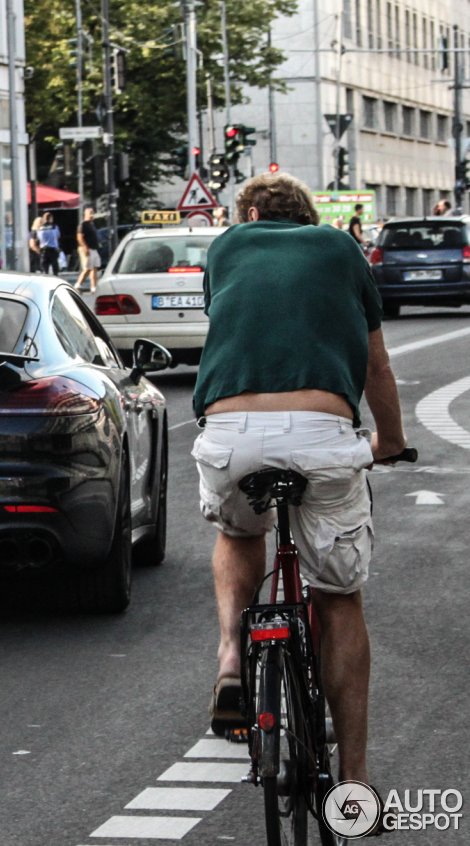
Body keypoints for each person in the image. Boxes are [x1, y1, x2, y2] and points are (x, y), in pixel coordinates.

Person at [194, 173, 405, 799]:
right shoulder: (340, 248)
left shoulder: (226, 245)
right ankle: (356, 784)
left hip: (231, 433)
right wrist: (388, 443)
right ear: (308, 218)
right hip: (321, 433)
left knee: (237, 530)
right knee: (339, 595)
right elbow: (377, 365)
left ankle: (232, 656)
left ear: (252, 213)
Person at [76, 208, 101, 291]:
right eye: (90, 213)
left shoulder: (92, 224)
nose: (91, 215)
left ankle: (93, 286)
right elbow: (80, 237)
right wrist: (85, 247)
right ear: (85, 215)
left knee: (95, 267)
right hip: (87, 248)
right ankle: (78, 284)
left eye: (92, 213)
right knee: (87, 268)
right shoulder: (83, 224)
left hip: (94, 248)